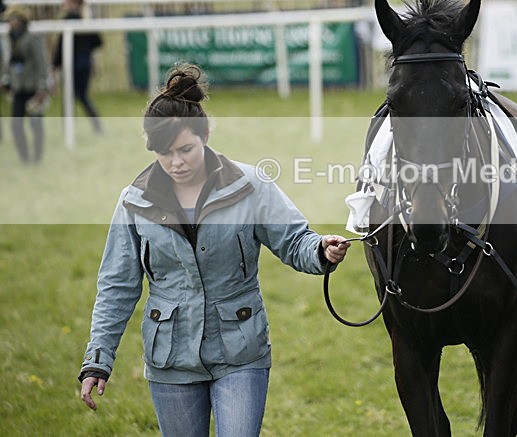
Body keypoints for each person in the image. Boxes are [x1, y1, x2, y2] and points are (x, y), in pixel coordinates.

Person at [78, 64, 350, 436]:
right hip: (169, 360)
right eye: (164, 153)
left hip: (241, 354)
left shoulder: (251, 185)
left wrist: (321, 250)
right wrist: (98, 361)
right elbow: (116, 288)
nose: (176, 162)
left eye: (186, 149)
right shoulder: (133, 202)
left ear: (205, 135)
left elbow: (294, 240)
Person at [1, 6, 51, 164]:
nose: (10, 23)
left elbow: (41, 63)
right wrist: (6, 80)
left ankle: (37, 157)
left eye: (12, 20)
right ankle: (24, 158)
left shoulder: (32, 39)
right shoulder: (9, 39)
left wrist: (42, 87)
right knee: (16, 125)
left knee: (35, 125)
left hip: (33, 89)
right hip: (18, 89)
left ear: (21, 21)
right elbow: (8, 63)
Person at [52, 0, 103, 133]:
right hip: (85, 63)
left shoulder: (68, 19)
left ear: (73, 3)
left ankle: (67, 130)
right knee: (82, 96)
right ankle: (96, 125)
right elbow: (98, 41)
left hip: (72, 65)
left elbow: (61, 46)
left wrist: (54, 64)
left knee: (70, 98)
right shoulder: (84, 20)